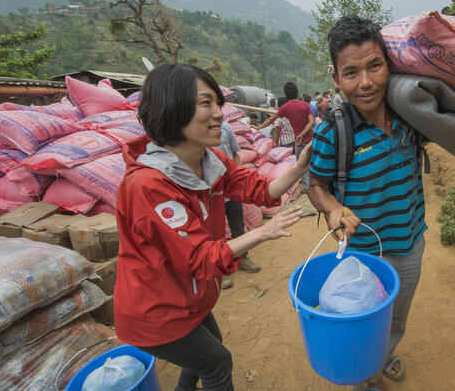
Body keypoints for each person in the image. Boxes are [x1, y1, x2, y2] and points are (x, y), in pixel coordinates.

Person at [114, 63, 311, 391]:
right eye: (206, 103)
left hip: (188, 297)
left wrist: (298, 166)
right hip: (157, 309)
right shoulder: (148, 185)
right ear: (171, 108)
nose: (219, 113)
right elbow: (197, 258)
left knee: (208, 352)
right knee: (217, 362)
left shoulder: (212, 159)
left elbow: (256, 189)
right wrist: (261, 232)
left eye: (218, 103)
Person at [308, 15, 427, 391]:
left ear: (389, 65)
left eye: (375, 66)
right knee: (364, 322)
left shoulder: (411, 114)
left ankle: (383, 355)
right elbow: (316, 184)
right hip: (362, 255)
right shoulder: (334, 131)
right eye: (351, 72)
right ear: (336, 78)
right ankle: (366, 378)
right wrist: (332, 209)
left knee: (396, 319)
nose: (365, 82)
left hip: (410, 244)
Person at [213, 122, 260, 290]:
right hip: (210, 194)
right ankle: (220, 270)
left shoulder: (226, 128)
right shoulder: (193, 133)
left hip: (230, 191)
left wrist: (238, 180)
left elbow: (235, 156)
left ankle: (243, 259)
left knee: (238, 228)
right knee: (215, 235)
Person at [253, 82, 313, 192]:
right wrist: (303, 133)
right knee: (312, 162)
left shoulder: (284, 108)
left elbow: (270, 120)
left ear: (286, 94)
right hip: (311, 139)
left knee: (302, 165)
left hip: (300, 142)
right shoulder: (305, 105)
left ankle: (307, 187)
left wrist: (257, 128)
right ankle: (313, 185)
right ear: (297, 92)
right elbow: (311, 122)